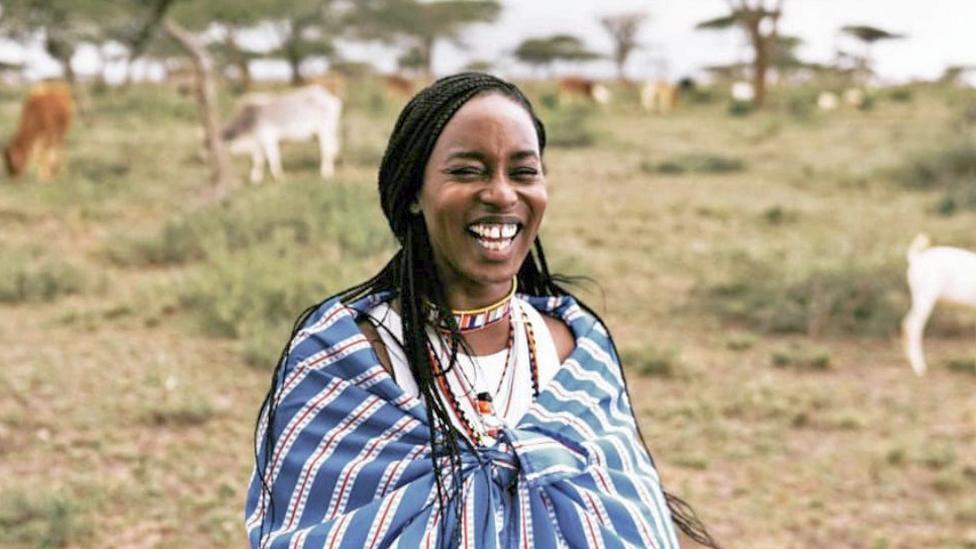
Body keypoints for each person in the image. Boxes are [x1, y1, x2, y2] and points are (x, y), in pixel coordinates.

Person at [245, 72, 717, 548]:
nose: (502, 194)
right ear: (413, 192)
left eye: (524, 172)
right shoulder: (348, 361)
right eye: (468, 171)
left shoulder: (575, 352)